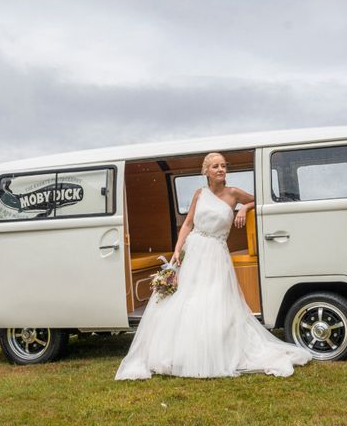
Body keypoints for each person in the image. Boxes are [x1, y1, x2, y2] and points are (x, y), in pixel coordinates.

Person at [115, 152, 314, 380]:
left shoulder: (233, 193)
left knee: (214, 300)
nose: (221, 169)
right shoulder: (199, 194)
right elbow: (188, 224)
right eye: (216, 166)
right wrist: (177, 251)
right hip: (194, 249)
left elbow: (258, 200)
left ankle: (215, 351)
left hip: (216, 253)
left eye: (223, 166)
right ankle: (181, 354)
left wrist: (243, 208)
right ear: (206, 171)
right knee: (186, 301)